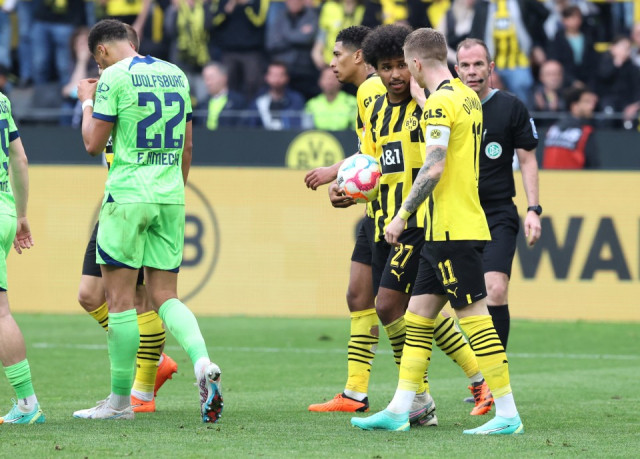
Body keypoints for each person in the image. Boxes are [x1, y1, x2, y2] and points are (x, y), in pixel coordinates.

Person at [307, 25, 493, 421]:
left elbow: (438, 159)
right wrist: (347, 186)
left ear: (414, 65)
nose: (394, 75)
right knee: (403, 309)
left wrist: (422, 98)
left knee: (394, 305)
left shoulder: (429, 104)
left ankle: (443, 391)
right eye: (386, 68)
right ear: (374, 68)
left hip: (416, 221)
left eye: (400, 66)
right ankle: (410, 396)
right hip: (380, 218)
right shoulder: (373, 104)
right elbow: (371, 160)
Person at [352, 27, 523, 435]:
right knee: (417, 317)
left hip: (451, 228)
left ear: (414, 63)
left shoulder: (438, 104)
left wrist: (401, 215)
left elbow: (434, 166)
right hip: (444, 228)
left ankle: (507, 414)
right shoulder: (466, 96)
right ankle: (401, 408)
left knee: (475, 318)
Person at [73, 19, 222, 422]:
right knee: (166, 297)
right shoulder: (176, 74)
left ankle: (120, 403)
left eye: (97, 61)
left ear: (101, 51)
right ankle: (202, 362)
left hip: (127, 197)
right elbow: (188, 146)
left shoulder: (114, 77)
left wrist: (86, 101)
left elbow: (92, 143)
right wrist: (173, 191)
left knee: (121, 302)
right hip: (170, 197)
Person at [75, 23, 179, 414]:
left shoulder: (125, 84)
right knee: (90, 295)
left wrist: (86, 102)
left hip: (135, 200)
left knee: (137, 300)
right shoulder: (120, 84)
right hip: (120, 201)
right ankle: (151, 361)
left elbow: (92, 142)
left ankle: (141, 390)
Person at [305, 26, 387, 414]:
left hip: (394, 214)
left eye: (337, 54)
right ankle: (354, 393)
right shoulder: (367, 93)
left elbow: (382, 158)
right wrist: (340, 178)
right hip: (377, 211)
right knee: (359, 294)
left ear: (358, 56)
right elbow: (368, 157)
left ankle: (479, 381)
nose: (331, 62)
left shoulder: (373, 90)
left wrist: (336, 177)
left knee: (409, 306)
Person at [454, 38, 541, 351]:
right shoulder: (446, 106)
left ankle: (495, 373)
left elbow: (528, 160)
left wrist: (533, 209)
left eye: (478, 64)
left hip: (497, 213)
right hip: (456, 214)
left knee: (495, 288)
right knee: (451, 302)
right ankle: (475, 370)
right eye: (466, 65)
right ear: (456, 70)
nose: (472, 71)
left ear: (490, 67)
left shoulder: (510, 106)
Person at [0, 91, 45, 424]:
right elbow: (20, 158)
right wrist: (22, 215)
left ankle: (28, 404)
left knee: (1, 313)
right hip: (5, 208)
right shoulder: (2, 100)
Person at [542, 86, 600, 169]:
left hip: (548, 177)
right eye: (586, 102)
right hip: (574, 177)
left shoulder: (553, 128)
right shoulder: (585, 131)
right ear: (574, 106)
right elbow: (593, 165)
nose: (591, 107)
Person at [246, 61, 305, 130]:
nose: (277, 79)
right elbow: (251, 126)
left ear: (287, 78)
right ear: (266, 77)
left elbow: (299, 124)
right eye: (274, 75)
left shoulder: (296, 100)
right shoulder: (258, 101)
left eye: (280, 75)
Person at [303, 66, 357, 130]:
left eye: (333, 78)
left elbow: (357, 129)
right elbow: (306, 130)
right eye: (327, 78)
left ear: (341, 81)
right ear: (320, 81)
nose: (330, 82)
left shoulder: (352, 103)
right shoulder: (311, 104)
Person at [200, 61, 246, 129]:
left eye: (211, 78)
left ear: (224, 78)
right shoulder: (202, 103)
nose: (208, 83)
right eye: (205, 78)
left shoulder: (238, 102)